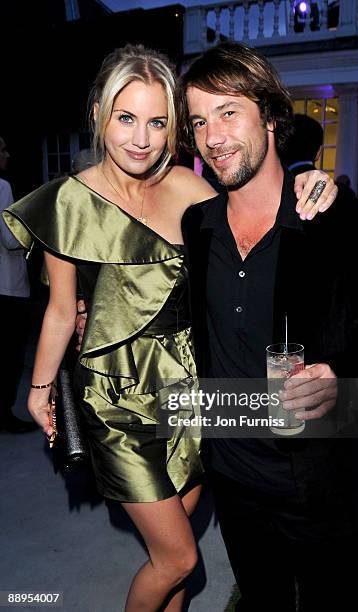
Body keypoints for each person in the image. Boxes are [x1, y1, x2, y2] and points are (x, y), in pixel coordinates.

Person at [3, 44, 336, 612]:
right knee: (178, 558)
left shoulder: (190, 186)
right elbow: (61, 309)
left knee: (173, 560)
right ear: (99, 116)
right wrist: (38, 391)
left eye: (157, 121)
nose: (141, 138)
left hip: (191, 390)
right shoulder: (69, 200)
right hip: (115, 398)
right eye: (126, 118)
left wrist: (316, 180)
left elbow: (256, 208)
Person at [176, 42, 358, 610]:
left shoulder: (335, 218)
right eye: (200, 121)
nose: (214, 137)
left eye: (229, 112)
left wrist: (341, 378)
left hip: (321, 483)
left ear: (272, 117)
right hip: (233, 477)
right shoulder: (196, 227)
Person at [0, 136, 36, 433]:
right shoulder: (2, 187)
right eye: (2, 150)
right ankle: (5, 413)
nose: (7, 154)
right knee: (9, 354)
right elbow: (11, 240)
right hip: (8, 286)